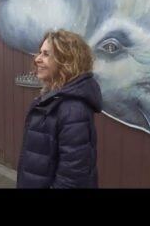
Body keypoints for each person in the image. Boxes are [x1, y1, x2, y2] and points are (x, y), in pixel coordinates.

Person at [17, 29, 102, 188]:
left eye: (46, 54)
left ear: (67, 61)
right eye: (39, 53)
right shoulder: (52, 99)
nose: (37, 59)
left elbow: (73, 179)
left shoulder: (73, 109)